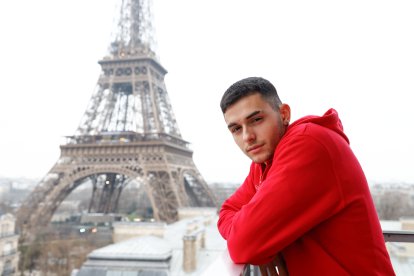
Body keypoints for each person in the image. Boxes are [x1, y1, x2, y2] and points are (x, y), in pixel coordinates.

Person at [217, 77, 395, 275]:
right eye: (236, 129)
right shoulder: (263, 163)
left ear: (284, 114)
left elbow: (244, 244)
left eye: (256, 120)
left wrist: (258, 238)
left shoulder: (308, 144)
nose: (247, 136)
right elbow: (227, 210)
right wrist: (258, 238)